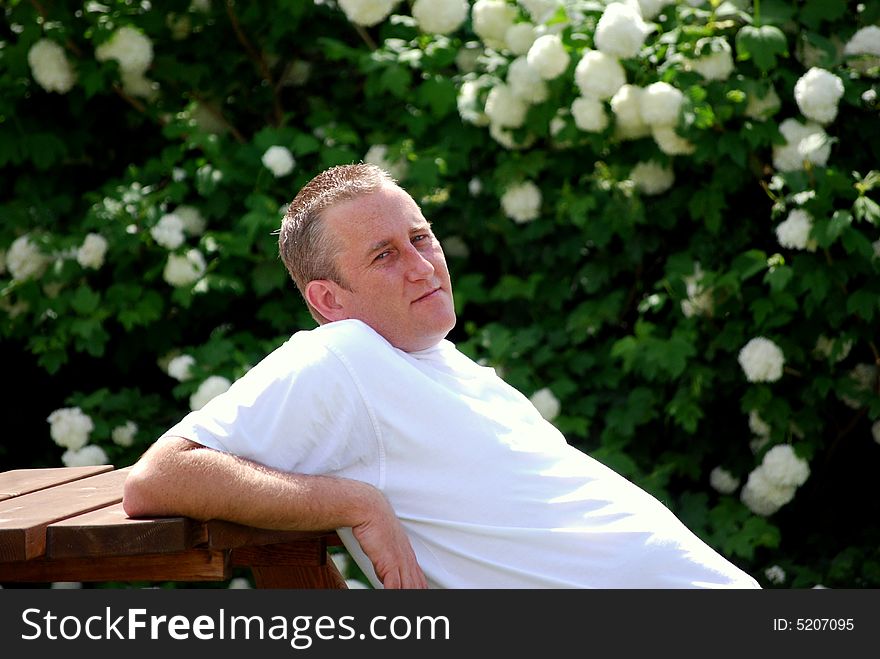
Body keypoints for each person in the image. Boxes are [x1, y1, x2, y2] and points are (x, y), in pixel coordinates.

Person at [123, 163, 760, 589]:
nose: (423, 266)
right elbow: (159, 477)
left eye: (422, 238)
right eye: (385, 255)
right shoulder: (341, 356)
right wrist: (356, 504)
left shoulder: (440, 361)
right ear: (328, 301)